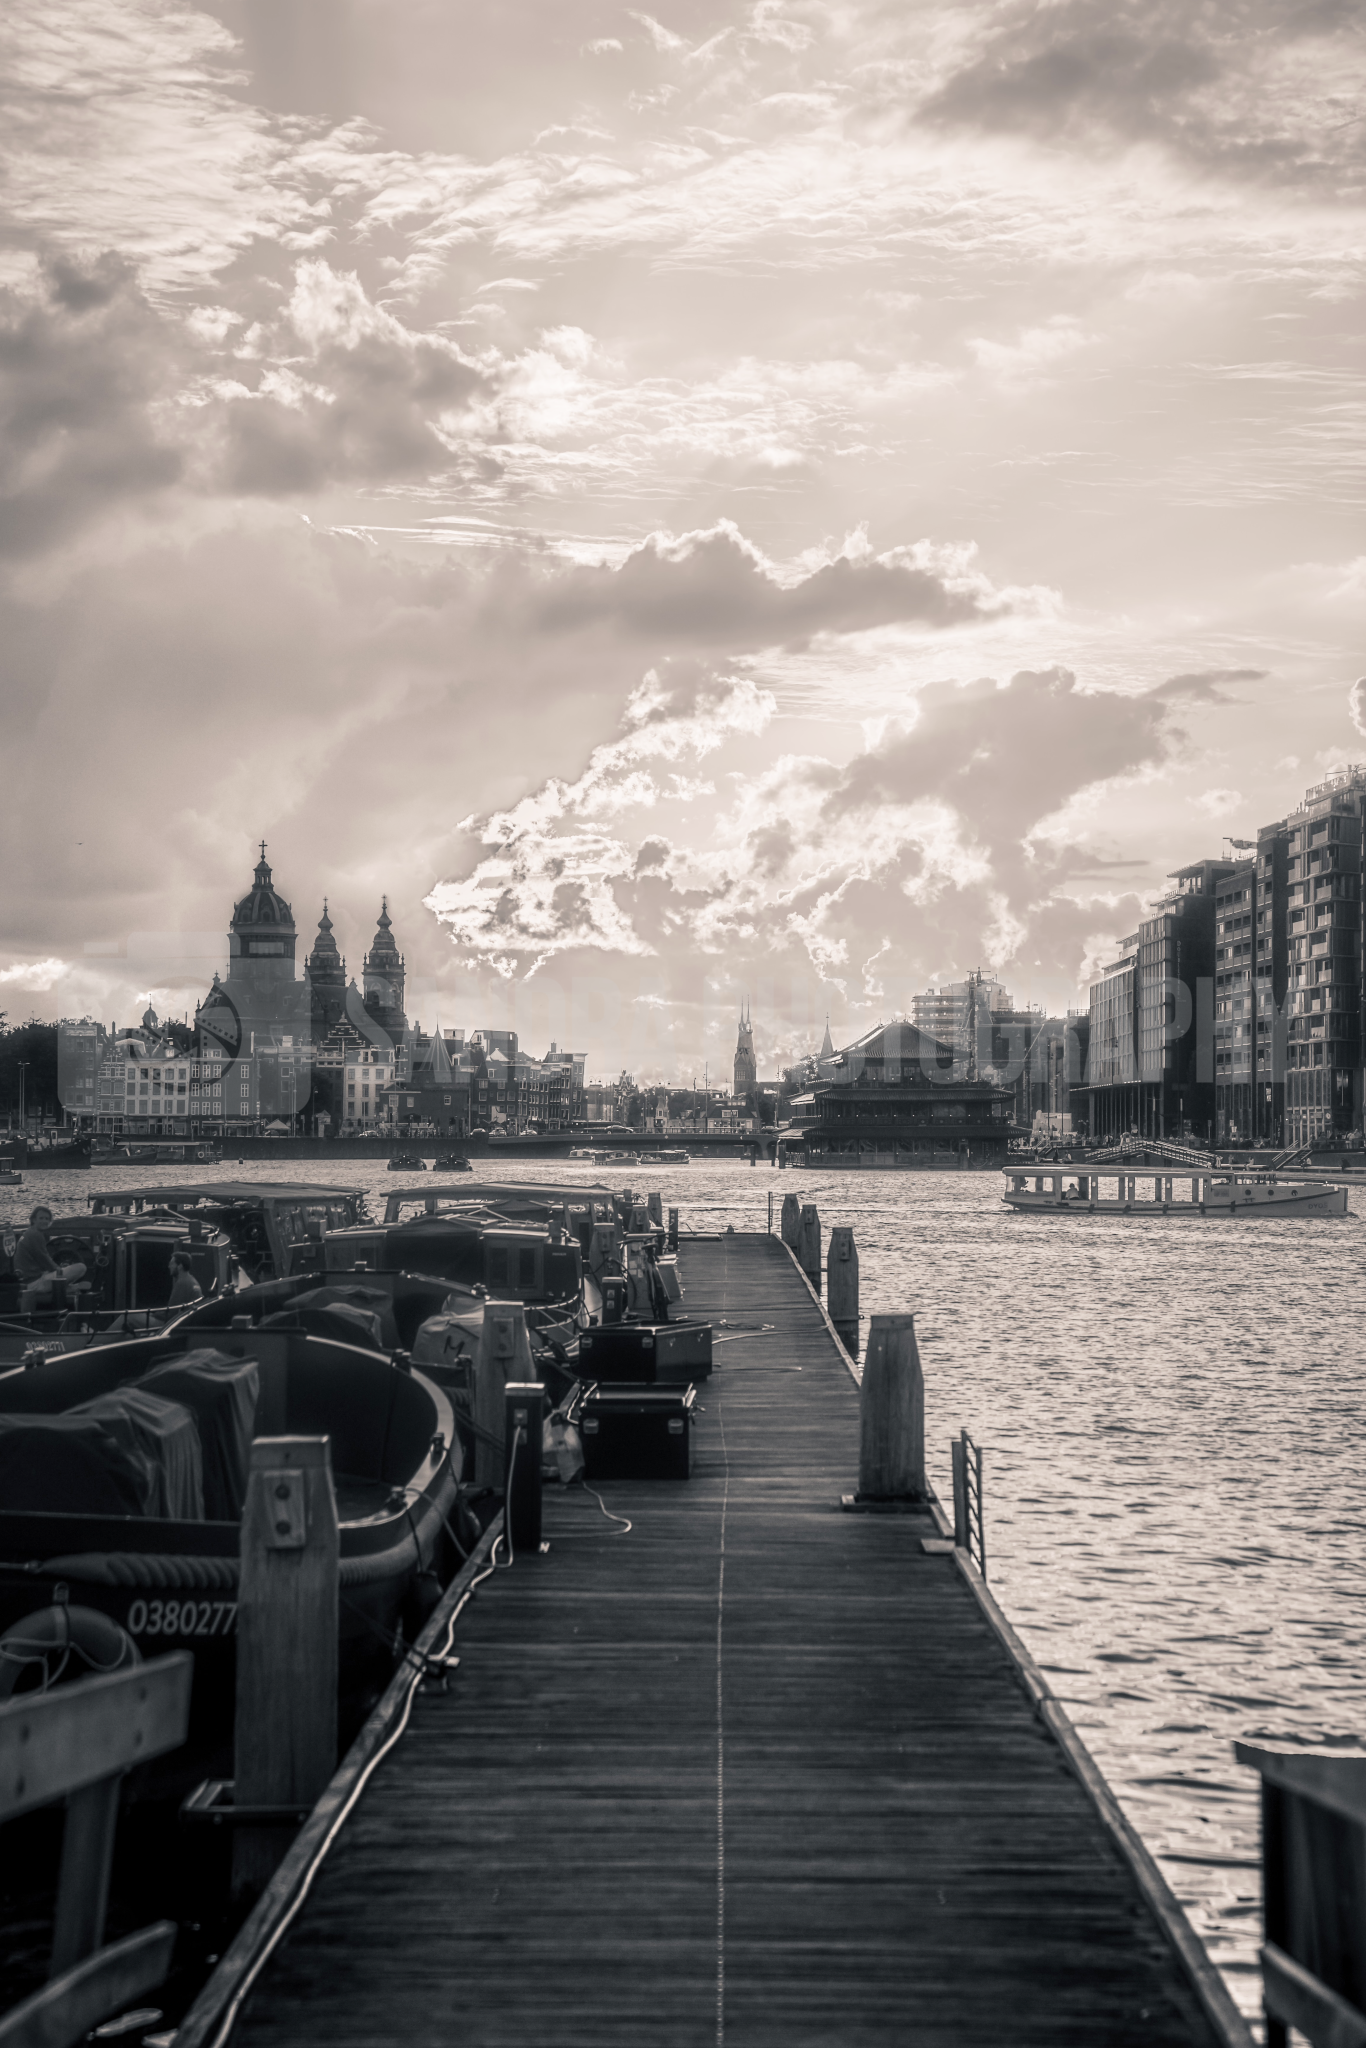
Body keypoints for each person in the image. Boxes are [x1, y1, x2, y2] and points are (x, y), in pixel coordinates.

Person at [16, 1206, 88, 1312]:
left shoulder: (28, 1233)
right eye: (41, 1218)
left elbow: (42, 1260)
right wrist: (59, 1269)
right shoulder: (36, 1235)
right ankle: (72, 1288)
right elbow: (45, 1260)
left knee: (61, 1271)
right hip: (34, 1284)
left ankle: (70, 1288)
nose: (44, 1221)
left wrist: (59, 1268)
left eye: (47, 1219)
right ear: (33, 1219)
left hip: (28, 1281)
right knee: (81, 1267)